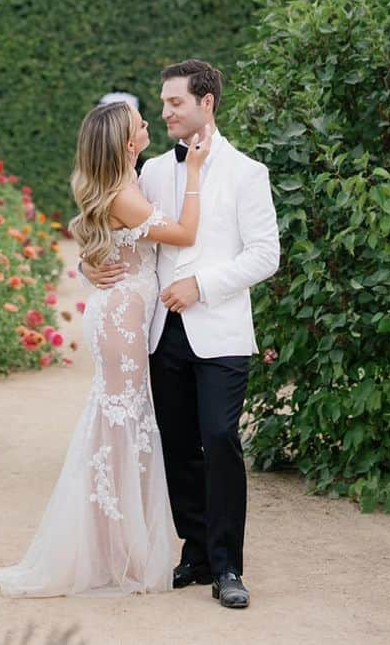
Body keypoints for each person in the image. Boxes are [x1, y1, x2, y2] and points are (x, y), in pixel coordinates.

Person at [0, 99, 212, 596]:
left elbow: (88, 231)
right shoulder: (123, 194)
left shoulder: (127, 185)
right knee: (120, 425)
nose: (148, 125)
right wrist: (194, 171)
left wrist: (89, 264)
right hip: (119, 320)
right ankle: (110, 550)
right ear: (125, 141)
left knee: (121, 426)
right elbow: (184, 232)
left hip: (121, 313)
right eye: (140, 124)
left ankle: (112, 545)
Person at [82, 59, 281, 610]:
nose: (164, 112)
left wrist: (203, 285)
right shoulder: (150, 172)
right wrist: (87, 265)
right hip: (158, 334)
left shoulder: (247, 173)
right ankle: (194, 554)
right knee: (176, 447)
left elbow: (266, 255)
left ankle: (228, 567)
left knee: (219, 439)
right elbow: (120, 232)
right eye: (163, 104)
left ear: (206, 102)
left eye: (174, 103)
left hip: (218, 332)